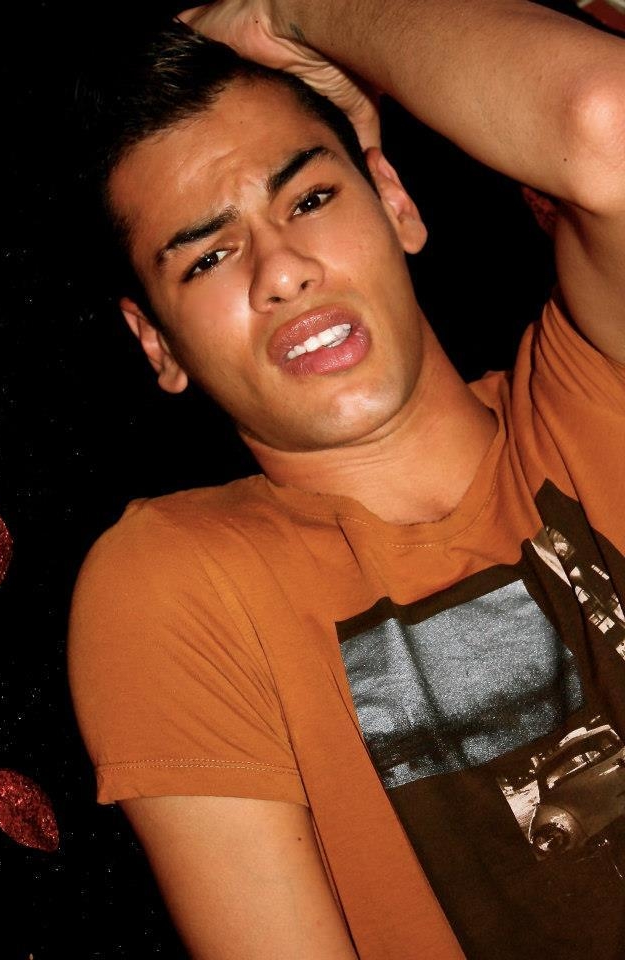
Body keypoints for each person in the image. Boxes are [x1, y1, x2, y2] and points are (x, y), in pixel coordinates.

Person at [66, 1, 625, 957]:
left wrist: (295, 9)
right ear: (156, 342)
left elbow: (604, 122)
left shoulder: (595, 385)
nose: (281, 270)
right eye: (209, 256)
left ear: (396, 202)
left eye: (310, 200)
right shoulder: (178, 585)